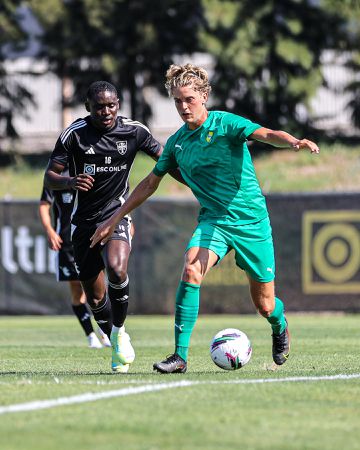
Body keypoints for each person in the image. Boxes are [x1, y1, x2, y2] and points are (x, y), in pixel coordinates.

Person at [90, 64, 320, 373]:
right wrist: (115, 218)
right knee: (190, 270)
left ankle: (279, 324)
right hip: (214, 221)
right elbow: (149, 183)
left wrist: (293, 141)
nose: (183, 107)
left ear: (204, 96)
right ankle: (180, 356)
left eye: (189, 99)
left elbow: (266, 134)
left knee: (265, 305)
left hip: (251, 223)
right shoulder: (177, 143)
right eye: (177, 101)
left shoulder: (225, 124)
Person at [44, 80, 176, 373]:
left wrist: (195, 182)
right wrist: (69, 181)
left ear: (119, 104)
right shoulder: (73, 135)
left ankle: (117, 331)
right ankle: (117, 337)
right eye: (99, 106)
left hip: (116, 213)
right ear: (88, 107)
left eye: (112, 105)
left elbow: (167, 160)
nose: (106, 111)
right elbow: (49, 177)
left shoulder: (134, 131)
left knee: (117, 268)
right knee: (95, 297)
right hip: (83, 223)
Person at [39, 176, 111, 349]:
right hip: (66, 243)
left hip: (89, 239)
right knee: (78, 289)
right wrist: (49, 230)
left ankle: (105, 331)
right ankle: (91, 335)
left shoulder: (89, 171)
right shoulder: (56, 175)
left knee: (98, 289)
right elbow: (44, 204)